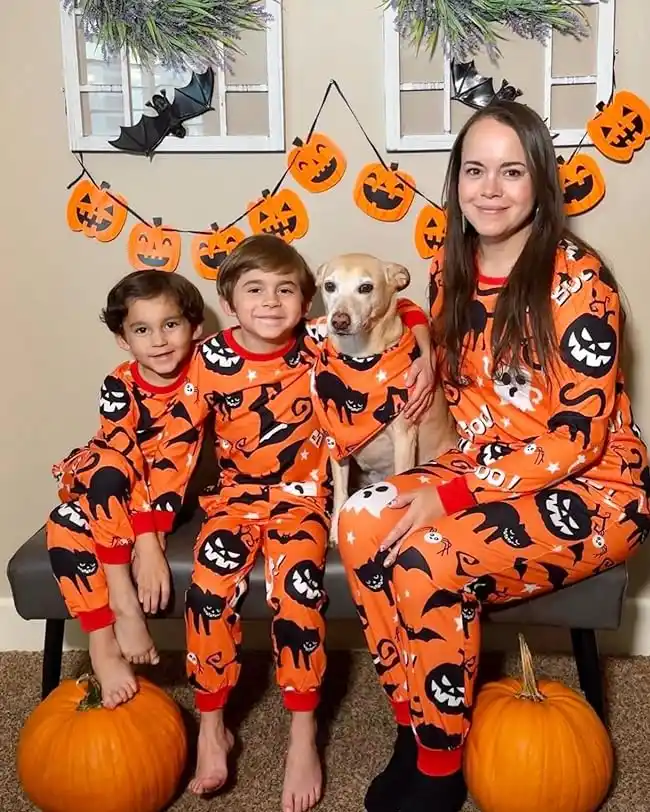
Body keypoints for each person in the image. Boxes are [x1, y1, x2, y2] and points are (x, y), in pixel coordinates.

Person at [337, 100, 650, 812]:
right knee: (360, 522)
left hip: (591, 486)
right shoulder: (450, 264)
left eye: (511, 172)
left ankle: (441, 770)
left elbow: (578, 436)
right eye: (475, 171)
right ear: (457, 182)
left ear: (540, 181)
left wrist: (447, 496)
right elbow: (443, 336)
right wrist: (421, 350)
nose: (491, 189)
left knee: (425, 553)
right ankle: (419, 721)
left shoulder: (580, 284)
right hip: (484, 465)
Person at [148, 234, 433, 812]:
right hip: (231, 502)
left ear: (307, 304)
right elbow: (176, 446)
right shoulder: (210, 360)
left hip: (304, 503)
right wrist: (150, 535)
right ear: (229, 304)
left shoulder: (321, 343)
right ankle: (212, 725)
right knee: (208, 593)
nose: (272, 303)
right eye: (254, 291)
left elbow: (394, 304)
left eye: (286, 291)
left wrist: (424, 340)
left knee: (298, 597)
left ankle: (303, 735)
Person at [46, 269, 205, 709]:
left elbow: (176, 455)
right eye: (141, 329)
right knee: (113, 464)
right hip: (107, 480)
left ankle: (102, 638)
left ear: (195, 328)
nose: (158, 340)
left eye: (170, 325)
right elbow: (123, 454)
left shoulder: (204, 373)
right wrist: (147, 543)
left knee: (63, 522)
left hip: (148, 499)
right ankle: (118, 613)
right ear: (123, 339)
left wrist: (414, 318)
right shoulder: (119, 383)